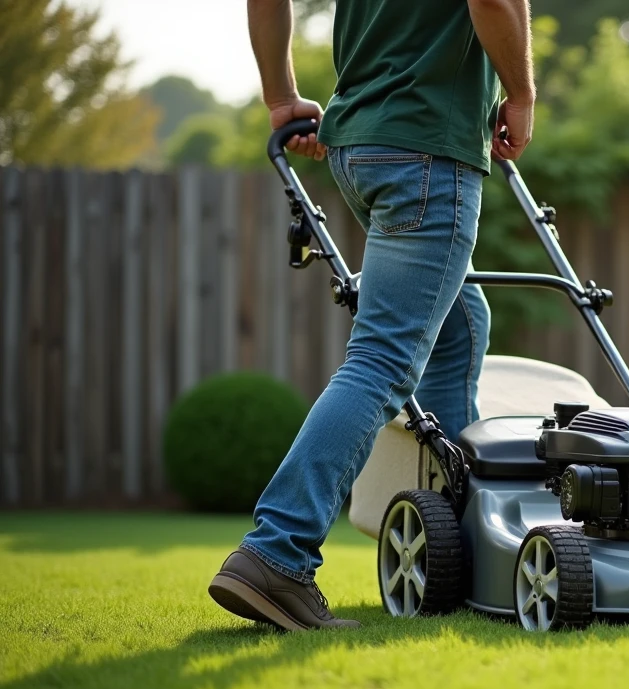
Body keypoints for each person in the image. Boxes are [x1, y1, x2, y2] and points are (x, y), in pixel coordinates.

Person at [207, 0, 535, 631]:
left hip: (360, 144)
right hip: (427, 146)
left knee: (461, 324)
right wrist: (519, 93)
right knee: (383, 361)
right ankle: (276, 554)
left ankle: (459, 540)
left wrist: (281, 98)